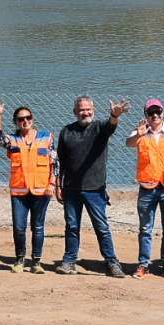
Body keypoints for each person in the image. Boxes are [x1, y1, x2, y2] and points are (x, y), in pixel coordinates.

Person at [55, 96, 130, 278]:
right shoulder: (66, 131)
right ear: (75, 112)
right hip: (71, 189)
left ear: (93, 110)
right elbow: (60, 161)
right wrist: (57, 184)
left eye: (88, 109)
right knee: (72, 226)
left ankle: (112, 262)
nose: (85, 112)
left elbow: (111, 126)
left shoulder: (99, 128)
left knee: (101, 227)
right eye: (81, 110)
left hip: (95, 188)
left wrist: (115, 115)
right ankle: (69, 261)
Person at [0, 97, 58, 274]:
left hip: (41, 190)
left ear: (32, 119)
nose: (25, 121)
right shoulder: (12, 140)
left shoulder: (46, 137)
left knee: (38, 226)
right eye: (21, 119)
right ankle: (19, 259)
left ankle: (36, 262)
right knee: (19, 227)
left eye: (28, 118)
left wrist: (52, 183)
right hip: (19, 191)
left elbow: (56, 163)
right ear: (16, 122)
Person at [124, 98, 164, 279]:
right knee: (145, 229)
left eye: (158, 112)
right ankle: (143, 264)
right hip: (147, 186)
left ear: (163, 113)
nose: (155, 115)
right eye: (151, 113)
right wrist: (139, 134)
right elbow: (128, 143)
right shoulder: (140, 132)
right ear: (146, 115)